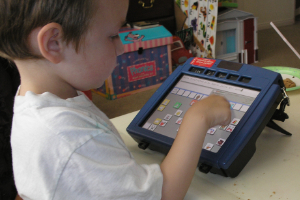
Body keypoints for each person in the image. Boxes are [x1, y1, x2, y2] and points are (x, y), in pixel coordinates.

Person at [0, 0, 231, 199]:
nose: (121, 47)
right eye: (112, 36)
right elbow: (163, 195)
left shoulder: (36, 100)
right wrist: (197, 119)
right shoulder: (72, 140)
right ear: (54, 43)